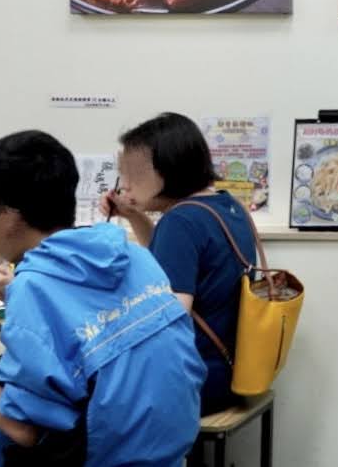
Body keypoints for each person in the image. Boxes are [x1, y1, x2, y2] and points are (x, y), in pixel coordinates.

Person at [0, 129, 205, 467]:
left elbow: (25, 432)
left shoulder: (35, 288)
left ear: (7, 216)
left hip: (99, 456)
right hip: (168, 452)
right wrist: (15, 292)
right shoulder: (131, 253)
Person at [102, 111, 257, 415]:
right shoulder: (225, 206)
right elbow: (172, 265)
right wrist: (134, 215)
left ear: (168, 170)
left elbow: (170, 318)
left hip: (193, 382)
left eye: (134, 174)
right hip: (230, 372)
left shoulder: (182, 220)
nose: (126, 186)